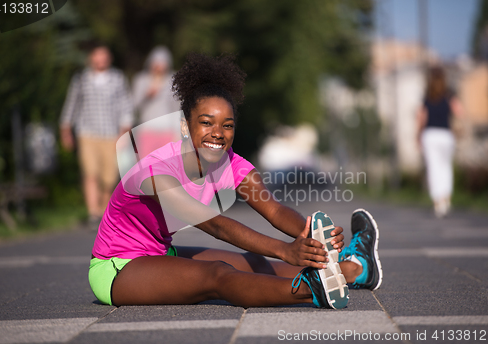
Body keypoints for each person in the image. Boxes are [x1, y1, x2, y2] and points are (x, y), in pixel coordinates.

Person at [88, 53, 382, 309]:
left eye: (227, 125)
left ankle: (357, 269)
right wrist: (285, 249)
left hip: (161, 252)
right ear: (183, 125)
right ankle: (311, 291)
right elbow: (213, 224)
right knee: (217, 274)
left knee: (254, 264)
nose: (218, 133)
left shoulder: (232, 164)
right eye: (206, 122)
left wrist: (310, 238)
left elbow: (274, 210)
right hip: (117, 267)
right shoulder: (154, 171)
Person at [60, 45, 134, 226]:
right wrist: (65, 128)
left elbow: (126, 104)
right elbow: (72, 103)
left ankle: (104, 210)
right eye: (97, 56)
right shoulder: (81, 79)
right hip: (87, 133)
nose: (100, 60)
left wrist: (125, 130)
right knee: (90, 172)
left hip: (111, 133)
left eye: (104, 56)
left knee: (109, 176)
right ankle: (93, 213)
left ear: (109, 59)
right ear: (91, 58)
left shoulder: (117, 78)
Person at [417, 67, 463, 218]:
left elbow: (421, 118)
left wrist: (417, 135)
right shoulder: (449, 96)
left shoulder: (427, 97)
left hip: (430, 135)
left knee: (433, 169)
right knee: (446, 167)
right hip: (446, 135)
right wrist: (459, 126)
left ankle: (437, 201)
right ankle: (446, 199)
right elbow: (459, 111)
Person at [132, 46, 181, 160]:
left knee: (166, 166)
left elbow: (178, 108)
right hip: (146, 130)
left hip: (167, 130)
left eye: (162, 63)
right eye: (156, 62)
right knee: (145, 166)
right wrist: (146, 95)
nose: (158, 66)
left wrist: (178, 132)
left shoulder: (173, 80)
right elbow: (133, 106)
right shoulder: (141, 80)